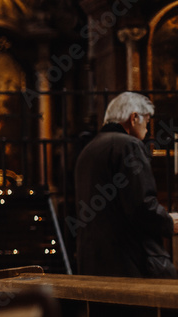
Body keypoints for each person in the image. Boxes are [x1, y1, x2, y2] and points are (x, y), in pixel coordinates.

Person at [74, 92, 178, 278]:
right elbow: (140, 206)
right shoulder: (129, 145)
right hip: (128, 263)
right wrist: (169, 222)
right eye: (147, 121)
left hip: (94, 263)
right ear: (134, 118)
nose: (148, 129)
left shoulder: (89, 150)